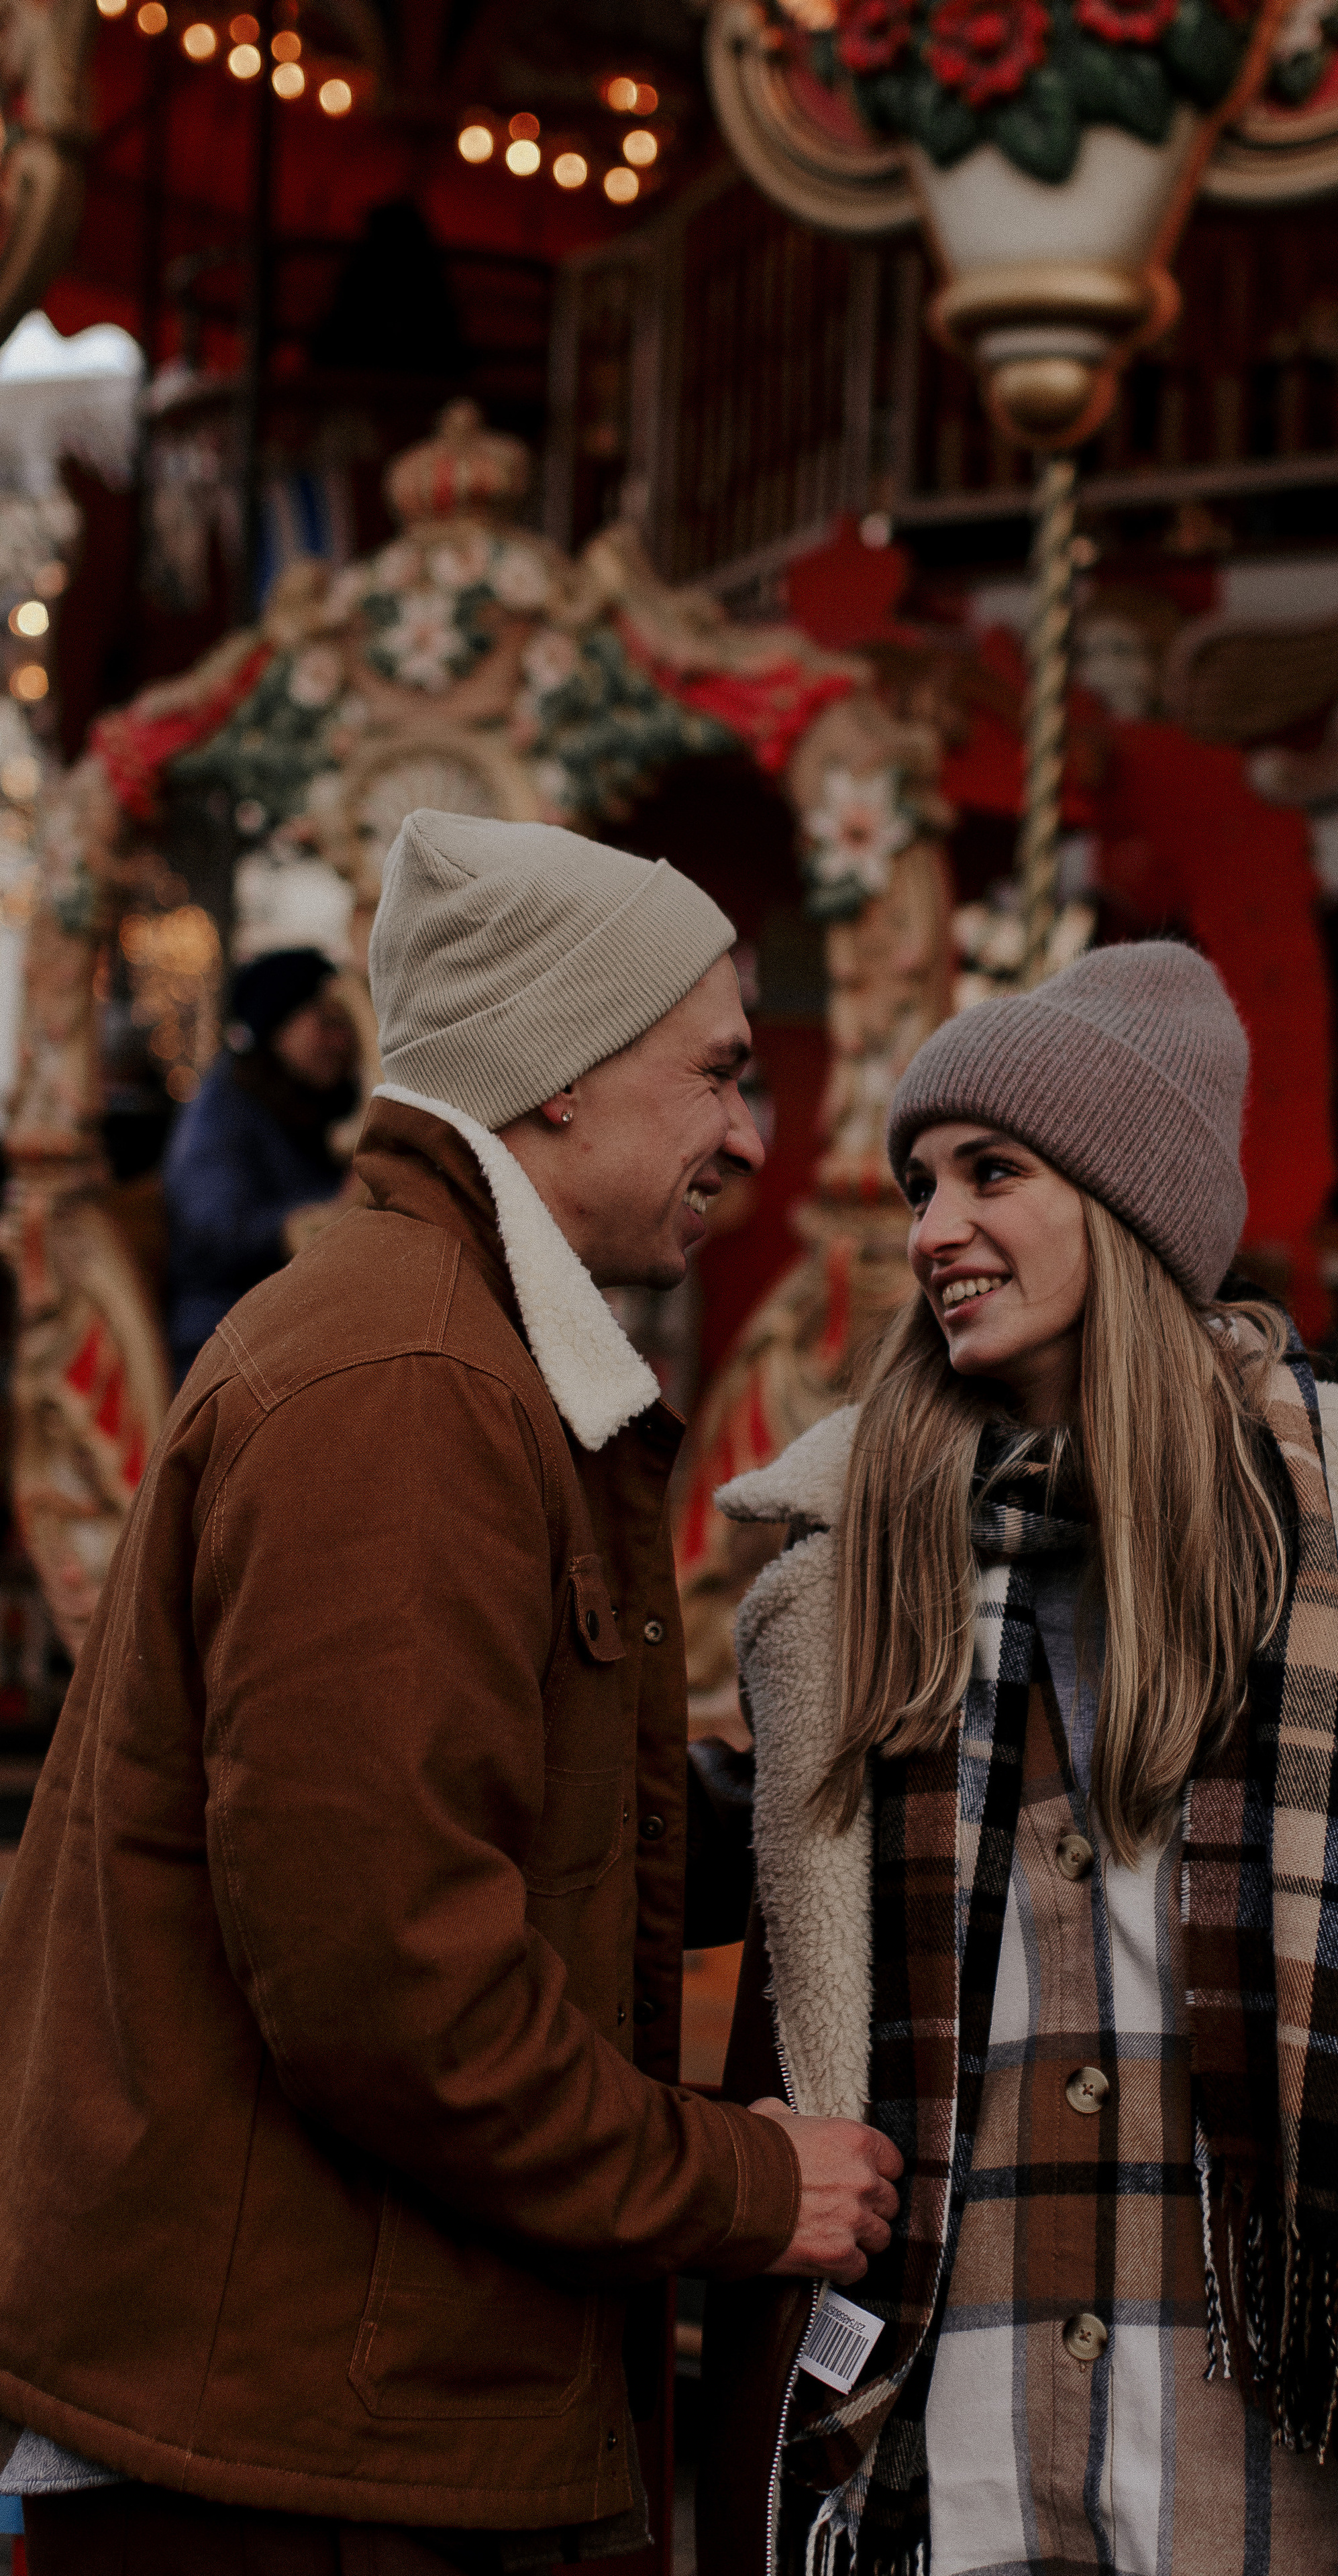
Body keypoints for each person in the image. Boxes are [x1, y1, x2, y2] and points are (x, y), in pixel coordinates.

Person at [701, 940, 1338, 2576]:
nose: (930, 1228)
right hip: (944, 2421)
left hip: (1254, 2432)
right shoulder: (857, 1578)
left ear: (1126, 1202)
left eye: (990, 1171)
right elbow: (733, 1840)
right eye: (917, 1182)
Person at [0, 809, 900, 2574]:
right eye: (717, 1071)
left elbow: (494, 1833)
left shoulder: (446, 1347)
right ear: (557, 1077)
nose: (749, 1132)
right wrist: (744, 2183)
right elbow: (390, 1984)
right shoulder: (411, 1381)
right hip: (305, 2456)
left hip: (336, 2417)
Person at [161, 945, 362, 1376]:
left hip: (284, 1322)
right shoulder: (225, 1110)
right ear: (276, 1027)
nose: (342, 1041)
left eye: (346, 1027)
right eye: (326, 1024)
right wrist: (306, 1222)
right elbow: (213, 1231)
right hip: (221, 1338)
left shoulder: (311, 1103)